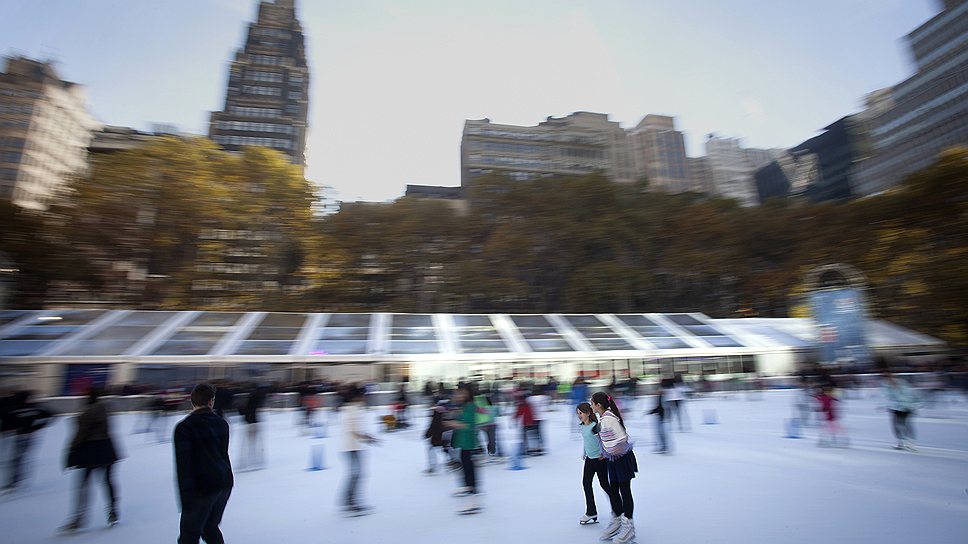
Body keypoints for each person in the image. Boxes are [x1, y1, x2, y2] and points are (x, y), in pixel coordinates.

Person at [173, 384, 233, 544]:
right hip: (223, 483)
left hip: (201, 488)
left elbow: (184, 465)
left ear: (192, 402)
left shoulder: (184, 428)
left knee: (189, 536)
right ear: (211, 401)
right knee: (210, 527)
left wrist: (185, 498)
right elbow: (222, 454)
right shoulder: (222, 423)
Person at [60, 387, 121, 532]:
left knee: (84, 484)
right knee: (107, 481)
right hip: (106, 447)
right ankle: (113, 510)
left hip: (91, 450)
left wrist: (71, 449)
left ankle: (79, 516)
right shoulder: (105, 410)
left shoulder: (87, 413)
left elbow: (81, 434)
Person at [591, 391, 638, 544]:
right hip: (614, 459)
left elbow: (622, 437)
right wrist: (606, 452)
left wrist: (611, 451)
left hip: (622, 459)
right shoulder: (604, 418)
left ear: (598, 405)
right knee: (613, 488)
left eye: (592, 403)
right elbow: (605, 436)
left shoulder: (609, 419)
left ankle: (629, 526)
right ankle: (617, 520)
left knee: (624, 490)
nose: (591, 406)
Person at [2, 390, 52, 492]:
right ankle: (17, 479)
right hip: (26, 435)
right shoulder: (34, 408)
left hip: (14, 436)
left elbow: (6, 420)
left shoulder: (14, 409)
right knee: (19, 458)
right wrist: (35, 427)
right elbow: (48, 415)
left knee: (14, 459)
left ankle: (13, 481)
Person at [577, 402, 617, 526]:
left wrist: (603, 454)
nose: (579, 415)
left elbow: (603, 440)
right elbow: (586, 440)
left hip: (600, 460)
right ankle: (591, 512)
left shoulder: (596, 426)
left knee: (605, 485)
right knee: (586, 483)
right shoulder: (582, 426)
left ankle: (617, 508)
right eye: (578, 413)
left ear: (588, 413)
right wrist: (584, 452)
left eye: (581, 413)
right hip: (589, 459)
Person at [339, 385, 377, 516]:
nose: (365, 397)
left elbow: (356, 429)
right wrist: (366, 438)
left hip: (353, 446)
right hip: (351, 447)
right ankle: (350, 502)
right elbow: (352, 430)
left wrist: (367, 437)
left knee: (356, 474)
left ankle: (348, 501)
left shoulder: (355, 409)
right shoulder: (351, 410)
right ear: (358, 396)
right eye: (363, 395)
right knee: (357, 474)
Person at [448, 385, 481, 514]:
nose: (457, 396)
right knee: (464, 465)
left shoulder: (471, 406)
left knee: (469, 469)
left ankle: (474, 500)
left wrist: (453, 423)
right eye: (457, 393)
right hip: (463, 442)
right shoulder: (463, 406)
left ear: (467, 394)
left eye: (461, 393)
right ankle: (466, 487)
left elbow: (469, 425)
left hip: (469, 442)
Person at [883, 372, 920, 451]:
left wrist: (915, 404)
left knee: (906, 425)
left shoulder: (903, 386)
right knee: (896, 426)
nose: (889, 381)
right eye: (888, 380)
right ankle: (901, 442)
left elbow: (913, 395)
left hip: (905, 408)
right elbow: (888, 397)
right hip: (897, 408)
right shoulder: (888, 387)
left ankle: (911, 443)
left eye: (890, 379)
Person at [647, 382, 670, 454]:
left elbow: (660, 408)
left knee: (661, 433)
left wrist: (651, 411)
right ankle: (662, 446)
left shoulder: (661, 398)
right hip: (660, 417)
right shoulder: (660, 398)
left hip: (661, 417)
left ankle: (664, 447)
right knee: (660, 432)